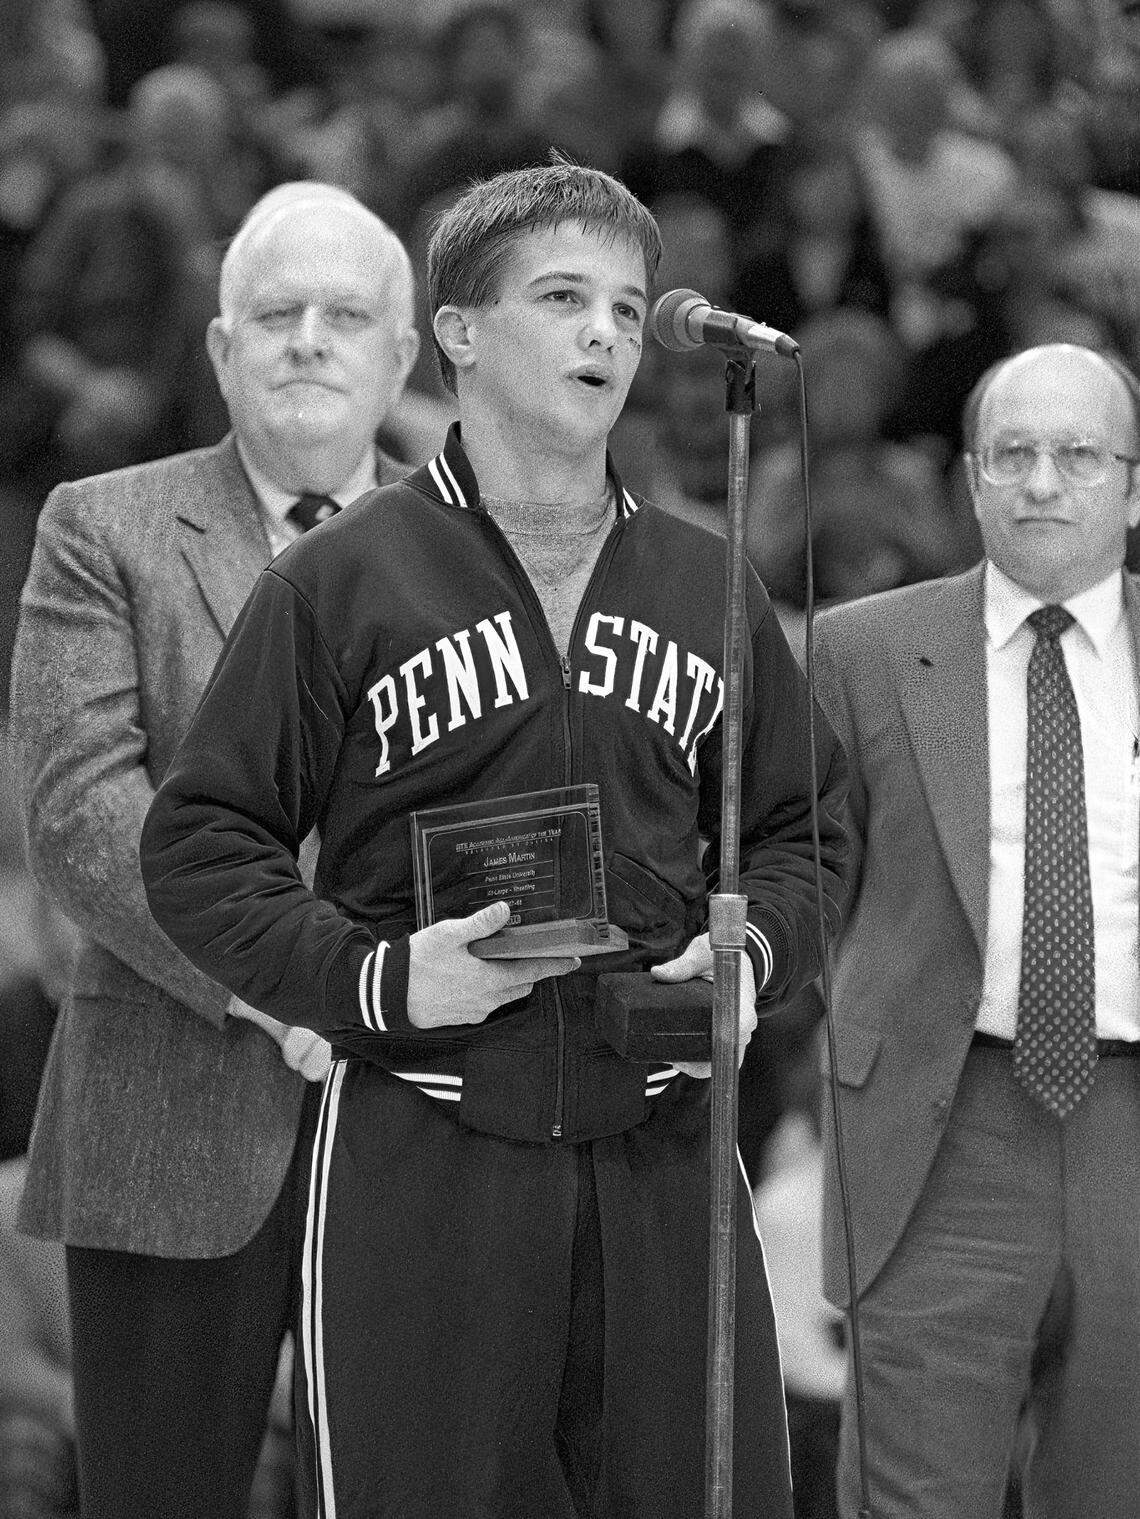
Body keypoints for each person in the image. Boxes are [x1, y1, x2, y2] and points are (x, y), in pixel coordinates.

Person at [140, 159, 848, 1519]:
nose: (605, 334)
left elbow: (803, 833)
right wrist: (382, 980)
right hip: (429, 1134)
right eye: (565, 297)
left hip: (665, 1138)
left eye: (630, 311)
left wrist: (752, 954)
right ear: (459, 331)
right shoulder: (341, 579)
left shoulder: (709, 581)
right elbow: (200, 843)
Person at [8, 181, 419, 1519]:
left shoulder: (481, 548)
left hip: (419, 1118)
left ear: (402, 356)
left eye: (344, 314)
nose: (307, 337)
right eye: (274, 312)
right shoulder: (100, 524)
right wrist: (288, 981)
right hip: (162, 1115)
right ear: (222, 346)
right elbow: (82, 813)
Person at [814, 342, 1140, 1519]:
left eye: (1078, 456)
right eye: (1013, 455)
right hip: (938, 1131)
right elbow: (796, 871)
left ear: (1134, 486)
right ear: (968, 478)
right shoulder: (858, 649)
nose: (1043, 483)